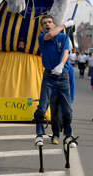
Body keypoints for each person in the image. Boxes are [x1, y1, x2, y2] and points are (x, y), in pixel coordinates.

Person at [34, 15, 77, 148]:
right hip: (49, 76)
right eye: (44, 23)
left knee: (67, 109)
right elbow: (51, 34)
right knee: (42, 106)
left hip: (63, 76)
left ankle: (69, 135)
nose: (47, 24)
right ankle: (39, 134)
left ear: (54, 23)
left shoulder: (64, 37)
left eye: (50, 22)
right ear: (42, 27)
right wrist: (65, 24)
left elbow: (65, 52)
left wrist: (61, 65)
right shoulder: (42, 38)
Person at [50, 64, 75, 144]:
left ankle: (55, 135)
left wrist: (71, 98)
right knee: (53, 116)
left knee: (59, 116)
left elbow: (72, 83)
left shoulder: (69, 67)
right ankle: (56, 129)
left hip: (64, 95)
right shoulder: (51, 65)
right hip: (52, 94)